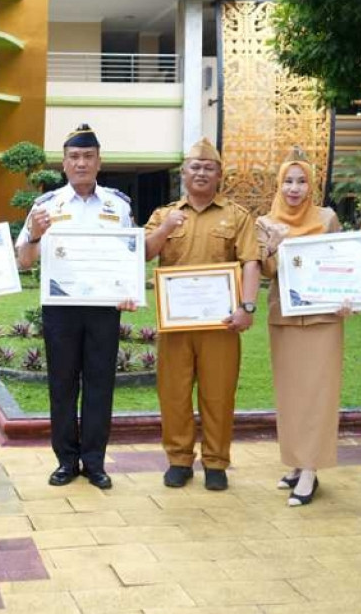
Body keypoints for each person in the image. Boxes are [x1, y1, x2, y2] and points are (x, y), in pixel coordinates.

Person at [15, 124, 135, 490]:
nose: (81, 163)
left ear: (99, 162)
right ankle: (66, 461)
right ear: (64, 164)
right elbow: (23, 260)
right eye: (74, 157)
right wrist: (35, 234)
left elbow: (129, 256)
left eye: (88, 156)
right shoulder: (45, 206)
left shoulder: (119, 204)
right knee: (62, 384)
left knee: (100, 384)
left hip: (103, 308)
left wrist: (129, 290)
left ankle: (94, 462)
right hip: (61, 307)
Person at [144, 138, 260, 491]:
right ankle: (179, 460)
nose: (201, 173)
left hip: (221, 325)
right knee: (174, 393)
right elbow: (144, 252)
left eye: (209, 168)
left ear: (219, 174)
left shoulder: (236, 216)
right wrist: (166, 228)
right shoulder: (164, 214)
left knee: (218, 394)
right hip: (176, 325)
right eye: (195, 167)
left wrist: (247, 306)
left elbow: (251, 261)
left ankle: (216, 462)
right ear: (183, 172)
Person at [257, 147, 352, 506]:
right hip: (285, 317)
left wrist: (348, 297)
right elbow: (266, 272)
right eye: (288, 181)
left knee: (319, 392)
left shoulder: (327, 218)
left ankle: (311, 469)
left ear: (311, 186)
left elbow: (342, 262)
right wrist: (271, 249)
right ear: (279, 185)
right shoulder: (266, 222)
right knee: (291, 394)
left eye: (301, 182)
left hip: (324, 319)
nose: (294, 188)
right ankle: (297, 462)